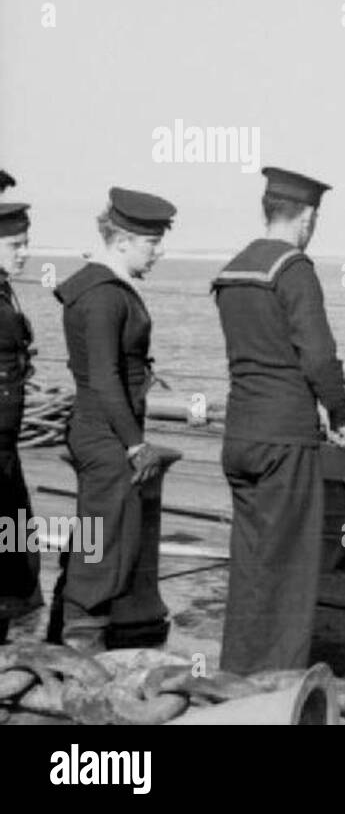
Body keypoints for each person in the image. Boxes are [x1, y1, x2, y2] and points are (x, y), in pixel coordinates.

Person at [212, 167, 345, 674]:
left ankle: (238, 667)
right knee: (293, 565)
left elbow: (263, 348)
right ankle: (278, 681)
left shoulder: (233, 271)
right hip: (285, 437)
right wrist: (339, 413)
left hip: (240, 433)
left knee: (252, 561)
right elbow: (318, 356)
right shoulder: (293, 268)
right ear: (308, 217)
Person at [49, 188, 178, 652]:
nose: (159, 251)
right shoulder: (105, 295)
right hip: (105, 435)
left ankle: (61, 644)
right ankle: (82, 653)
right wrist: (133, 445)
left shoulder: (96, 288)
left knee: (95, 538)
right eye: (151, 242)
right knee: (105, 547)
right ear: (122, 241)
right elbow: (104, 377)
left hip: (94, 429)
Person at [0, 201, 40, 643]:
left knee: (15, 545)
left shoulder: (6, 292)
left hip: (8, 447)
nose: (24, 252)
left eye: (26, 243)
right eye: (14, 244)